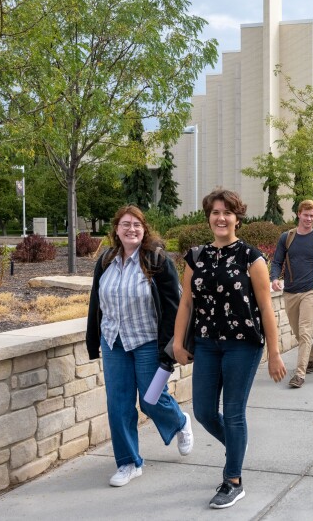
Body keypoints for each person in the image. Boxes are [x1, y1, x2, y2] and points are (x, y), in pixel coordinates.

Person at [171, 189, 286, 509]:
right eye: (215, 212)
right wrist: (178, 343)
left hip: (242, 345)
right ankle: (236, 447)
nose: (221, 218)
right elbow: (185, 302)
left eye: (227, 213)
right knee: (204, 411)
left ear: (237, 218)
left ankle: (232, 479)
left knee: (234, 413)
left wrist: (274, 353)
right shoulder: (195, 256)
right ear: (208, 217)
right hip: (206, 343)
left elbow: (266, 308)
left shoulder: (252, 258)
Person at [85, 205, 194, 489]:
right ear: (116, 229)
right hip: (114, 342)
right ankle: (128, 462)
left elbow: (173, 307)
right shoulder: (106, 260)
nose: (131, 229)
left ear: (144, 229)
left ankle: (180, 422)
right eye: (125, 224)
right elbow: (96, 303)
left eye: (136, 224)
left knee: (152, 398)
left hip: (148, 342)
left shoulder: (156, 261)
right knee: (118, 404)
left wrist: (172, 346)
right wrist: (93, 340)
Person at [270, 199, 313, 388]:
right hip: (289, 291)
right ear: (299, 214)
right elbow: (276, 262)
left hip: (310, 291)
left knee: (304, 330)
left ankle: (299, 374)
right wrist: (274, 278)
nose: (309, 219)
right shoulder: (286, 237)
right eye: (306, 215)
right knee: (298, 332)